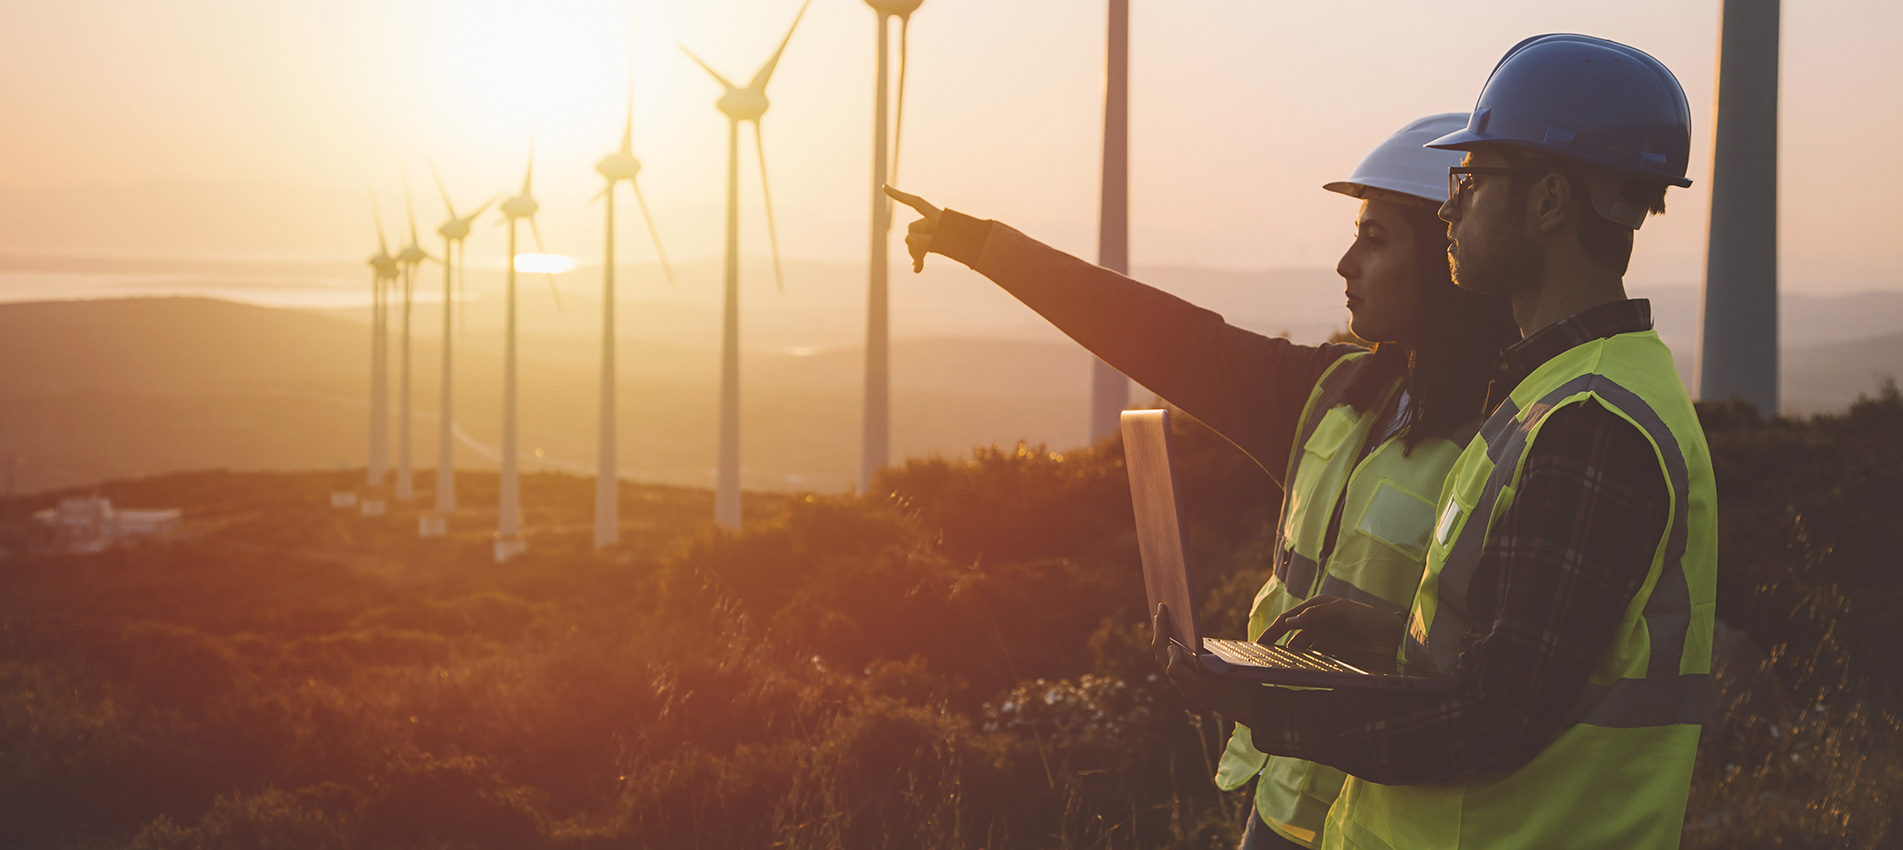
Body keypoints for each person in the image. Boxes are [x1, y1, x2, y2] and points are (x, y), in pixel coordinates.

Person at [885, 112, 1521, 850]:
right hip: (1287, 799)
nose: (1346, 264)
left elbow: (1499, 674)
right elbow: (1162, 335)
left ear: (1449, 254)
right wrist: (982, 245)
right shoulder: (1331, 396)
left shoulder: (1510, 433)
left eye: (1375, 240)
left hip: (1408, 818)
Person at [1149, 34, 1719, 850]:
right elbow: (1529, 662)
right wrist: (1389, 640)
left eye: (1470, 180)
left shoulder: (1591, 424)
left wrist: (1268, 702)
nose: (1449, 206)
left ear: (1550, 201)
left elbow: (1492, 719)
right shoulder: (1554, 393)